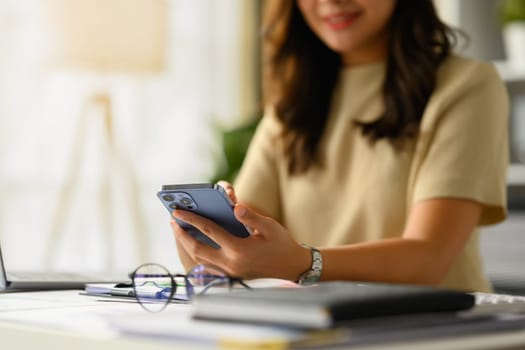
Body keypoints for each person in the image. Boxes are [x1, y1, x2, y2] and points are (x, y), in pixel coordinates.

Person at [170, 0, 509, 292]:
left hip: (442, 332)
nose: (331, 1)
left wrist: (304, 263)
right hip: (320, 330)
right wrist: (211, 239)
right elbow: (245, 240)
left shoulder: (467, 86)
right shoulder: (291, 104)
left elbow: (429, 258)